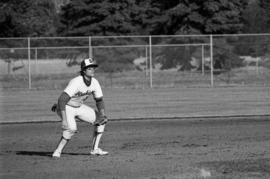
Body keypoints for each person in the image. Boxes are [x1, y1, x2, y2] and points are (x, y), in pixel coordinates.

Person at [51, 58, 108, 158]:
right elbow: (62, 100)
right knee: (71, 128)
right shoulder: (76, 82)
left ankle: (95, 149)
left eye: (93, 68)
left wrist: (102, 114)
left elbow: (99, 100)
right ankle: (58, 151)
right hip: (66, 107)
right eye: (89, 68)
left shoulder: (95, 82)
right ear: (83, 70)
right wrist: (64, 121)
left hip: (79, 106)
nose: (92, 70)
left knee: (101, 120)